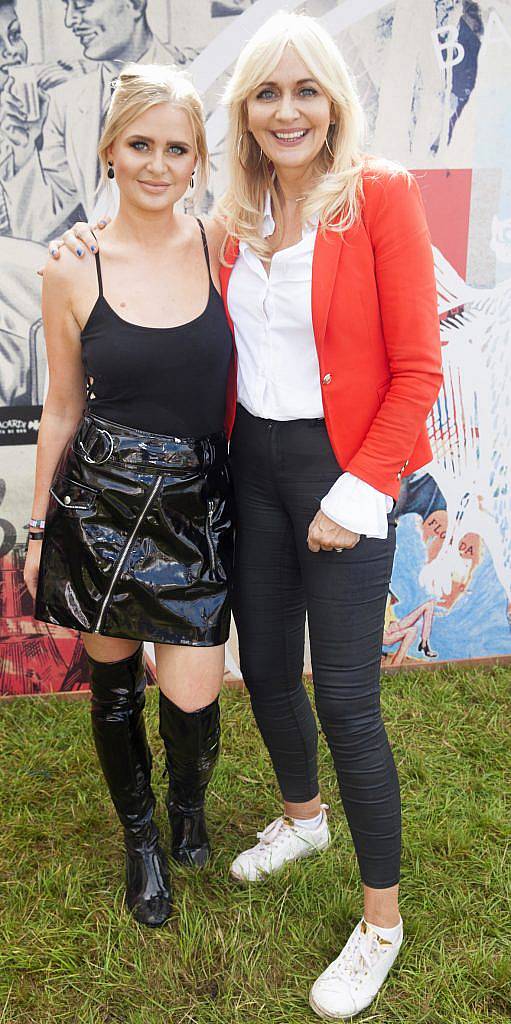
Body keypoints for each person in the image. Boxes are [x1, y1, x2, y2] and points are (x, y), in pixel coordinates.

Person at [49, 11, 443, 1018]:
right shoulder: (241, 217)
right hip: (249, 469)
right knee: (265, 667)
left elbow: (414, 367)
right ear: (246, 115)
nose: (286, 109)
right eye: (265, 93)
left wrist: (367, 490)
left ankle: (380, 922)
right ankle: (301, 816)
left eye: (304, 89)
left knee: (346, 699)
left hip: (342, 470)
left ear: (333, 101)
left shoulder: (380, 197)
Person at [25, 63, 234, 929]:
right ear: (110, 150)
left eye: (175, 148)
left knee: (194, 696)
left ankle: (186, 799)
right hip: (102, 504)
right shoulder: (71, 267)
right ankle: (142, 837)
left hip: (195, 503)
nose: (157, 164)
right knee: (114, 690)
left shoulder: (225, 243)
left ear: (197, 162)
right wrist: (41, 530)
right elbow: (63, 406)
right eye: (140, 144)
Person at [0, 0, 188, 242]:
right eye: (67, 7)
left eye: (82, 5)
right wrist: (24, 149)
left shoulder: (204, 88)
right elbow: (35, 228)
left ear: (134, 4)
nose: (70, 21)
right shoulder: (65, 104)